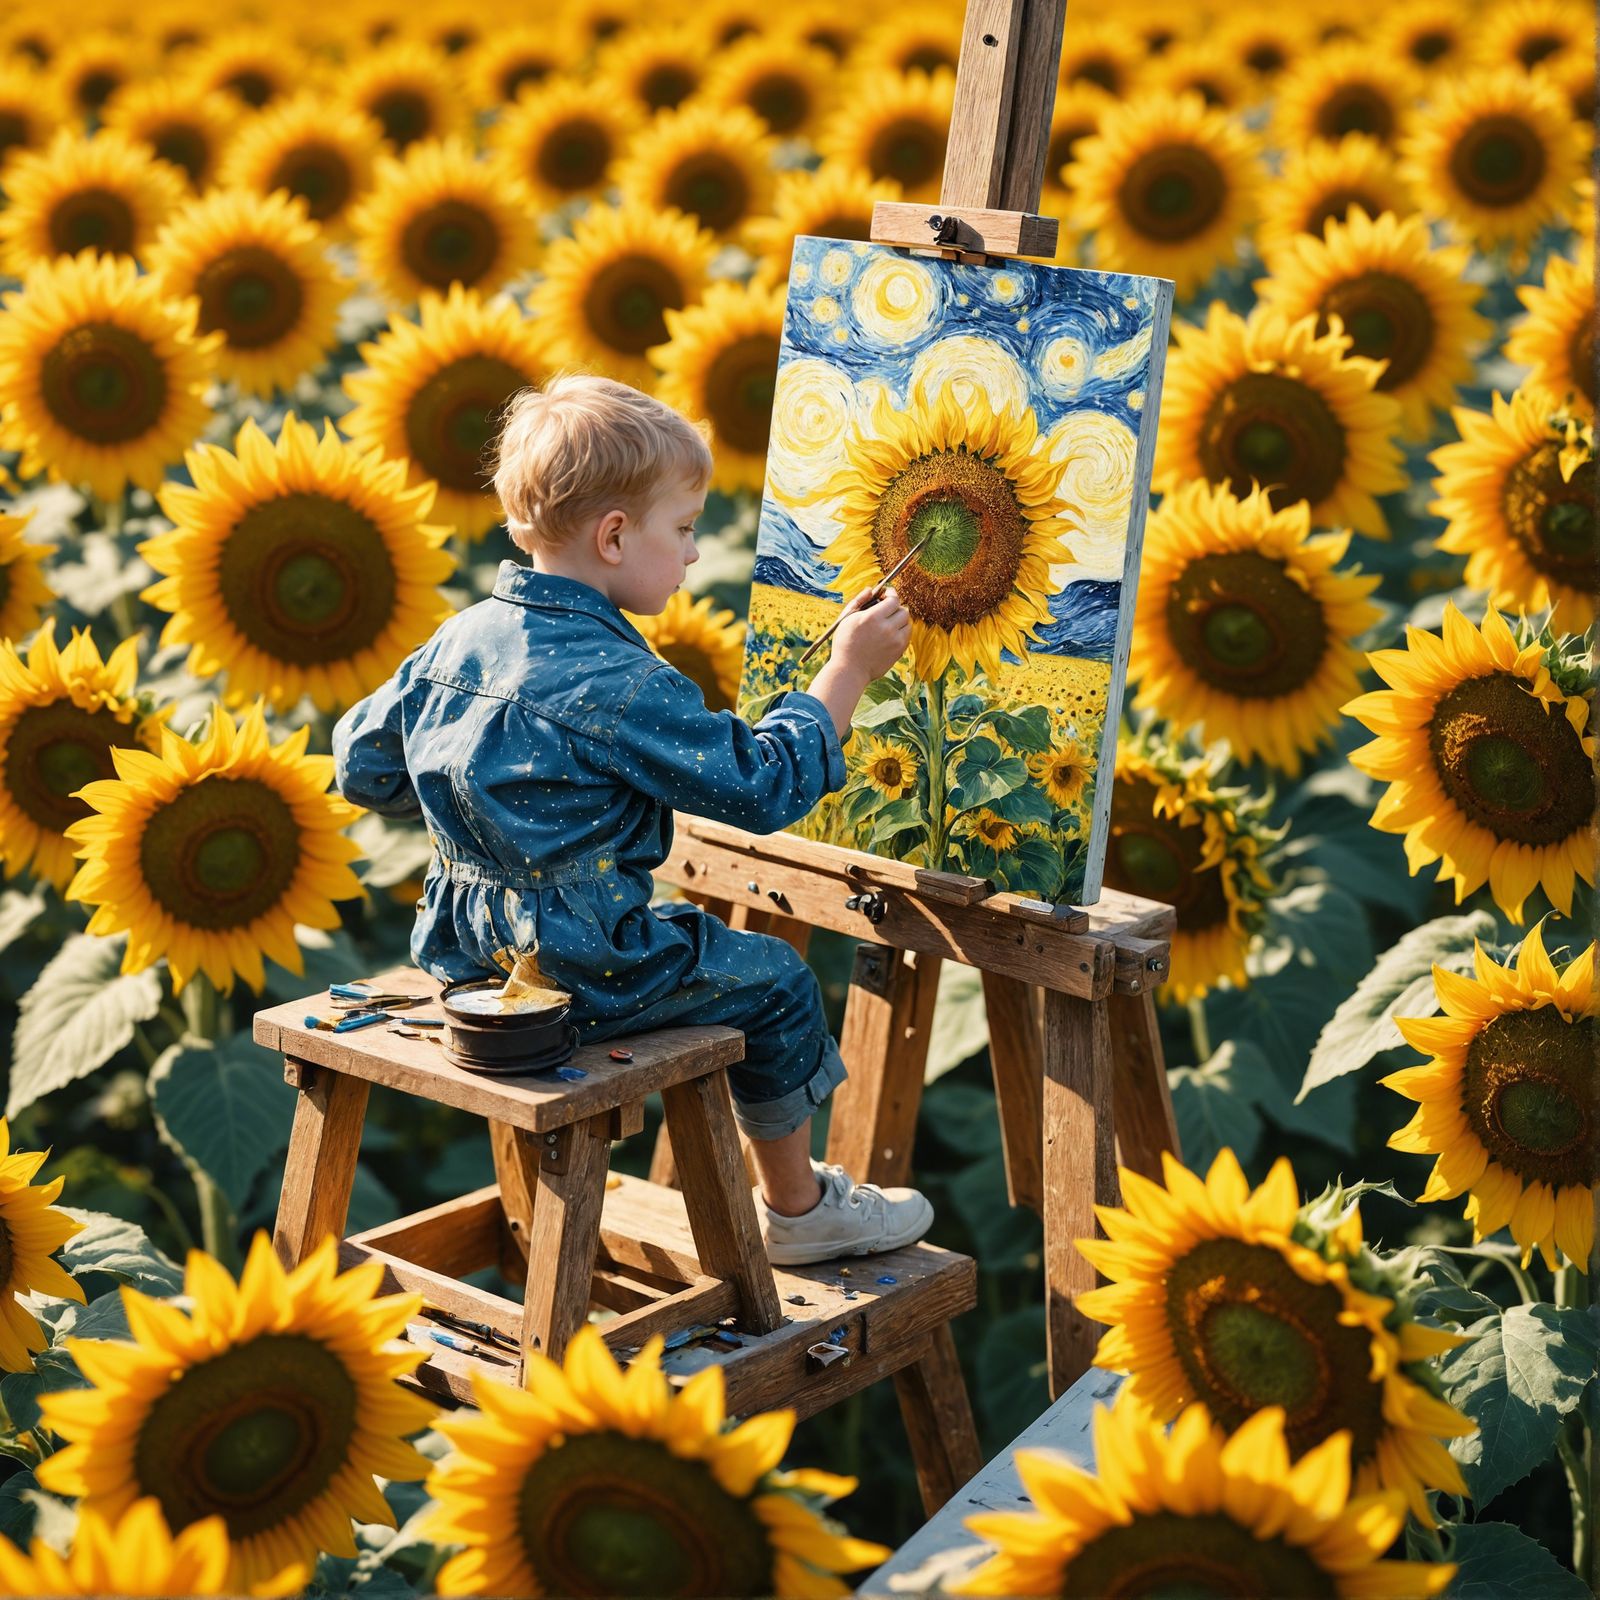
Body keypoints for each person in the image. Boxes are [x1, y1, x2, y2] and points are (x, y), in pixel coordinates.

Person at [333, 371, 935, 1265]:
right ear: (614, 536)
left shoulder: (455, 640)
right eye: (685, 530)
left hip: (458, 952)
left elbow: (360, 764)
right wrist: (843, 675)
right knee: (774, 977)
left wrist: (472, 806)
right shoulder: (620, 682)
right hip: (581, 967)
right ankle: (802, 1213)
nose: (694, 554)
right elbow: (761, 788)